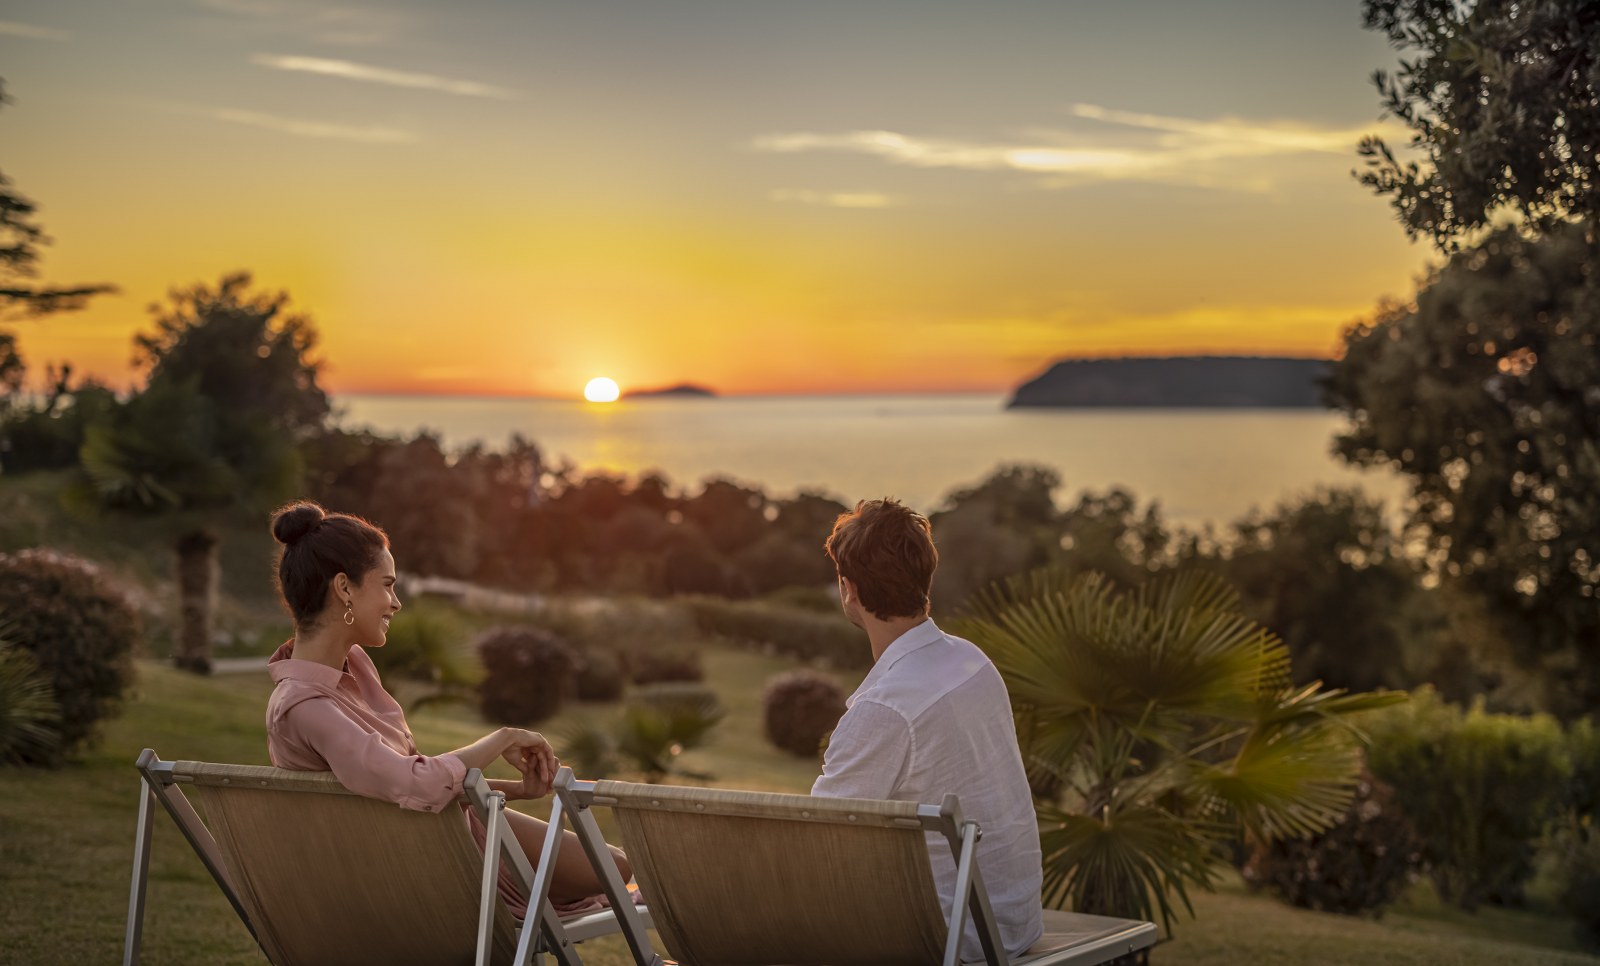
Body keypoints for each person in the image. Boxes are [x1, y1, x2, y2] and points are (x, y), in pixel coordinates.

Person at [264, 500, 630, 911]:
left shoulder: (354, 671)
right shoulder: (304, 705)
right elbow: (414, 784)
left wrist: (513, 790)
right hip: (423, 875)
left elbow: (397, 783)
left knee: (616, 866)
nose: (396, 602)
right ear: (344, 587)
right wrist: (504, 737)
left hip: (433, 840)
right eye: (387, 584)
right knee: (615, 871)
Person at [813, 498, 1043, 959]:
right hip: (1013, 919)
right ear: (925, 577)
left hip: (951, 938)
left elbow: (814, 846)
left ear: (849, 590)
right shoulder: (972, 661)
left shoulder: (883, 709)